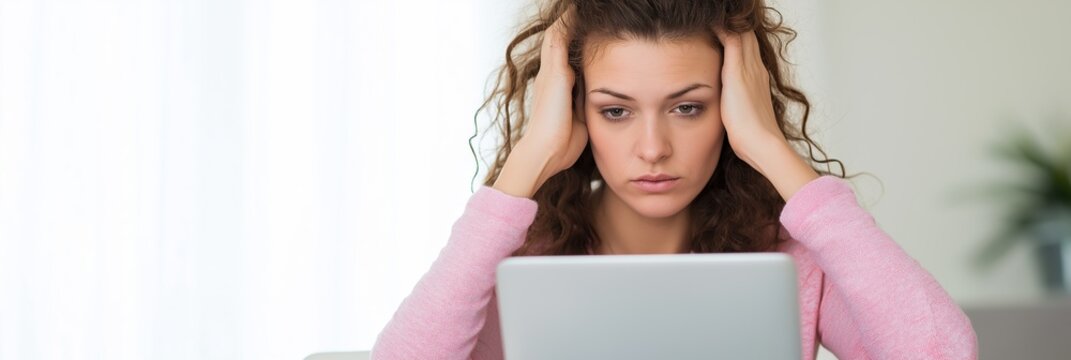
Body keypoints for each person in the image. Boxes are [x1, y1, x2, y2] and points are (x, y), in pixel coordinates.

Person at [371, 0, 978, 359]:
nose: (654, 149)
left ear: (734, 106)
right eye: (615, 110)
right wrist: (525, 162)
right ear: (574, 111)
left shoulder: (795, 263)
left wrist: (770, 146)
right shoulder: (513, 265)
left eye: (688, 107)